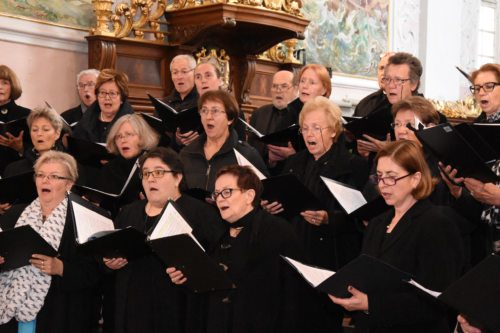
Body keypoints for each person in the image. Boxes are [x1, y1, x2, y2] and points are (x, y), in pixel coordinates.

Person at [330, 140, 464, 333]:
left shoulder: (436, 223)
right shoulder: (377, 222)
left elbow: (437, 300)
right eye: (380, 177)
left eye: (392, 177)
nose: (383, 185)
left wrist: (370, 304)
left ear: (415, 178)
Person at [264, 96, 368, 332]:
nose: (310, 134)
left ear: (333, 131)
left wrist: (329, 218)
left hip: (327, 254)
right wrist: (272, 208)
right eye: (305, 128)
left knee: (319, 321)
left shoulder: (353, 165)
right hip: (293, 249)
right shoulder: (294, 163)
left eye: (317, 128)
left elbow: (361, 218)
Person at [168, 165, 305, 333]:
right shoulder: (218, 235)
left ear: (249, 195)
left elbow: (292, 294)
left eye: (227, 192)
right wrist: (186, 277)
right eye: (216, 194)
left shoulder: (277, 231)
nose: (219, 199)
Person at [103, 147, 224, 333]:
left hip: (178, 308)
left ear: (178, 177)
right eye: (145, 174)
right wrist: (108, 262)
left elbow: (217, 262)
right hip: (132, 309)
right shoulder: (129, 212)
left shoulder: (201, 214)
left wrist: (192, 272)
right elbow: (110, 251)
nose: (151, 178)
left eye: (159, 172)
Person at [0, 151, 101, 333]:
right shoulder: (14, 214)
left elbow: (95, 271)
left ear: (69, 184)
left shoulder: (82, 218)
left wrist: (61, 268)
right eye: (41, 175)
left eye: (54, 176)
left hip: (60, 312)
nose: (45, 180)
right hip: (11, 308)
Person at [440, 63, 500, 264]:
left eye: (489, 86)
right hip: (483, 236)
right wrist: (457, 190)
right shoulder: (472, 131)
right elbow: (476, 198)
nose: (481, 92)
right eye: (476, 88)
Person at [180, 90, 267, 193]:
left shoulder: (246, 154)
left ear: (230, 119)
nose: (208, 117)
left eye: (215, 111)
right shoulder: (187, 153)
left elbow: (264, 193)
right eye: (204, 111)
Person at [88, 114, 159, 217]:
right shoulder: (109, 168)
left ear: (142, 137)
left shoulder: (154, 165)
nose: (123, 140)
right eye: (118, 136)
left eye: (129, 134)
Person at [357, 52, 425, 158]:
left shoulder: (427, 117)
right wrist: (367, 155)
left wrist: (390, 150)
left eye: (398, 80)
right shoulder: (377, 113)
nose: (391, 86)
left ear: (413, 84)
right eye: (387, 79)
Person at [248, 70, 298, 173]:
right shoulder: (259, 114)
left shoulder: (301, 115)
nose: (278, 91)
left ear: (295, 89)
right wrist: (269, 160)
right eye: (275, 86)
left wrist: (292, 156)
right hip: (260, 174)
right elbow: (251, 149)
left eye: (284, 86)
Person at [72, 69, 133, 143]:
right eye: (103, 92)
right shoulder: (86, 121)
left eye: (112, 93)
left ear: (122, 99)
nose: (107, 98)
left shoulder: (132, 124)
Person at [3, 107, 64, 177]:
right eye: (35, 130)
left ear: (57, 134)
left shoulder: (69, 166)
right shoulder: (13, 170)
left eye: (46, 129)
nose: (39, 134)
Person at [0, 65, 31, 176]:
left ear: (12, 86)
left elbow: (39, 150)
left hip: (18, 175)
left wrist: (21, 148)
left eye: (5, 83)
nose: (0, 87)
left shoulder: (27, 115)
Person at [353, 51, 395, 117]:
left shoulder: (410, 104)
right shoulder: (364, 104)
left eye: (388, 68)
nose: (383, 73)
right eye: (381, 68)